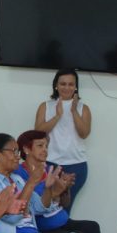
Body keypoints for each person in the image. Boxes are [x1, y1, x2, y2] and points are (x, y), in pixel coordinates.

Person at [15, 130, 104, 233]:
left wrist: (65, 189)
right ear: (26, 149)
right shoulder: (20, 174)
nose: (45, 150)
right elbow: (35, 206)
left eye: (46, 146)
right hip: (46, 226)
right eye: (40, 146)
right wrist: (52, 191)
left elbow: (64, 204)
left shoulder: (50, 168)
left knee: (92, 227)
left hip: (62, 220)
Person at [34, 68, 91, 213]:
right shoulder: (45, 106)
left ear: (76, 87)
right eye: (63, 84)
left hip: (76, 164)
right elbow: (38, 133)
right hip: (50, 163)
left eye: (71, 84)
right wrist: (57, 116)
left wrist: (73, 111)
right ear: (56, 86)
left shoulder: (83, 108)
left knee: (65, 209)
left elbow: (84, 133)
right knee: (47, 207)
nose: (67, 88)